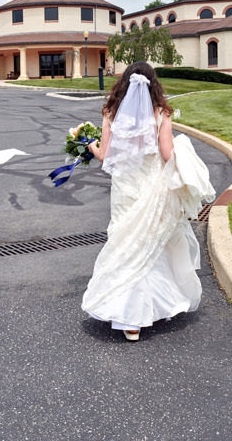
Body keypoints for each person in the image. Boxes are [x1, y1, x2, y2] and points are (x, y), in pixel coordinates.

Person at [82, 62, 214, 341]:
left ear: (124, 84)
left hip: (125, 189)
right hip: (152, 187)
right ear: (153, 85)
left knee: (125, 242)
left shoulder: (111, 112)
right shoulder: (161, 113)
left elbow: (106, 156)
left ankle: (129, 318)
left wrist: (92, 147)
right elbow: (167, 153)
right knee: (151, 244)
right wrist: (183, 151)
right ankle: (149, 309)